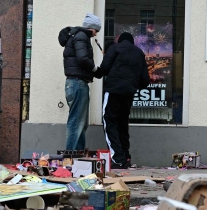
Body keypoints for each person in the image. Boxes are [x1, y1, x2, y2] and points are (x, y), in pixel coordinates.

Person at [95, 32, 150, 169]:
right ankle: (126, 156)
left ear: (120, 40)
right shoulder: (139, 53)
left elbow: (105, 69)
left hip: (113, 90)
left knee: (109, 121)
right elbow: (145, 80)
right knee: (122, 123)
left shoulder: (114, 48)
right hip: (128, 93)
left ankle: (118, 159)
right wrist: (132, 84)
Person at [59, 13, 101, 151]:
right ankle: (71, 158)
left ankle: (77, 156)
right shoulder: (82, 37)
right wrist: (95, 69)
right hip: (78, 83)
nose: (96, 34)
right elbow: (83, 59)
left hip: (75, 83)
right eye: (96, 30)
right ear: (91, 28)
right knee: (77, 123)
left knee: (80, 123)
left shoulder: (77, 36)